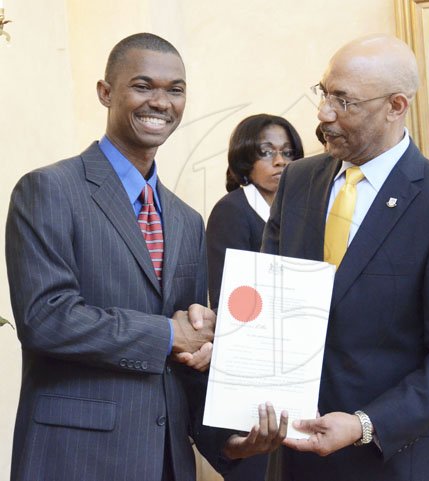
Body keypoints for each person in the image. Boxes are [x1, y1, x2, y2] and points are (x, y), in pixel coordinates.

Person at [5, 33, 286, 481]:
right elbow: (46, 320)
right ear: (105, 92)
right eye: (142, 85)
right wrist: (167, 334)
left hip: (167, 463)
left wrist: (228, 443)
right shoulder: (48, 190)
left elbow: (189, 356)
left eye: (175, 90)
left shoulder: (186, 219)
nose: (161, 101)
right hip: (74, 459)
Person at [262, 34, 429, 481]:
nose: (324, 113)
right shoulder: (297, 181)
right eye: (325, 92)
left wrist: (365, 424)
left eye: (344, 101)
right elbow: (270, 299)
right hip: (294, 459)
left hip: (394, 461)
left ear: (396, 106)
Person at [206, 114, 304, 311]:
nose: (280, 161)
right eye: (267, 152)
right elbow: (225, 296)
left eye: (287, 152)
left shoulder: (305, 207)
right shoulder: (230, 210)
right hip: (253, 330)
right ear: (245, 160)